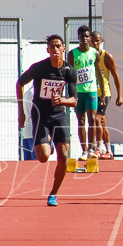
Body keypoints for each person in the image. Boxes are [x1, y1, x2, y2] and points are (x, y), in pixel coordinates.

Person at [17, 34, 78, 207]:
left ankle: (53, 194)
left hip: (59, 115)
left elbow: (74, 100)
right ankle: (47, 142)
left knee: (64, 156)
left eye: (59, 46)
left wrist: (62, 101)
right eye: (52, 47)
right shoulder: (39, 68)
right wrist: (21, 112)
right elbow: (20, 83)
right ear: (48, 50)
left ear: (64, 48)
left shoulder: (68, 71)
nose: (56, 50)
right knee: (43, 157)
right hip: (40, 115)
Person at [66, 25, 99, 159]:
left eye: (87, 36)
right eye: (82, 37)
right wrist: (70, 94)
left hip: (92, 91)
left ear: (89, 37)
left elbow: (98, 73)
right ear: (78, 38)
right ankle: (84, 150)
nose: (85, 39)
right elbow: (68, 75)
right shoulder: (72, 54)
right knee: (81, 120)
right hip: (78, 92)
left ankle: (92, 148)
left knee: (92, 119)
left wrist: (101, 92)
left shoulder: (94, 52)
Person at [90, 30, 123, 159]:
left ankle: (99, 147)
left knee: (97, 119)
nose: (95, 43)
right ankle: (109, 150)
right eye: (92, 41)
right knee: (101, 122)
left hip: (104, 93)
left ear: (101, 41)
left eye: (97, 41)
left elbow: (116, 76)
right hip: (91, 92)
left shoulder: (107, 57)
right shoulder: (89, 56)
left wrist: (120, 95)